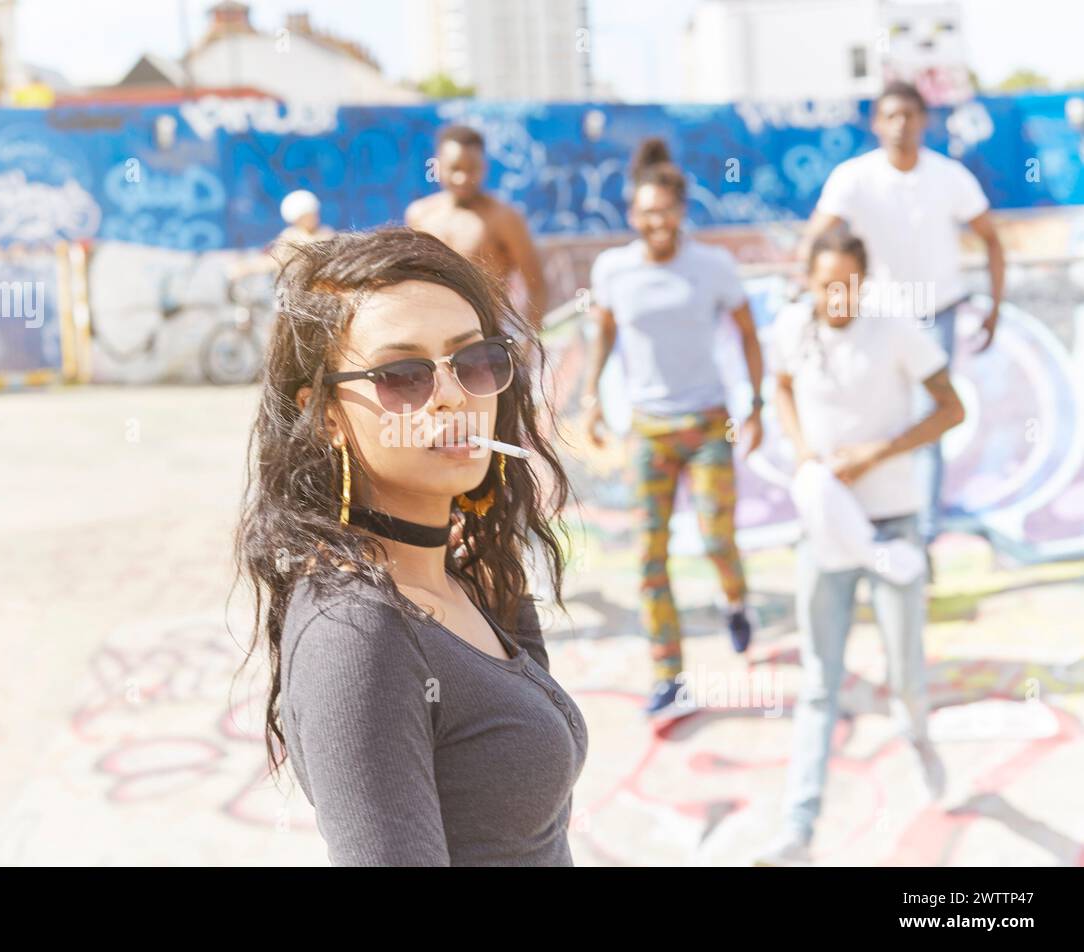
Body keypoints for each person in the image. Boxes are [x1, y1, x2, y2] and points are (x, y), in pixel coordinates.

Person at [234, 227, 585, 866]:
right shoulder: (359, 632)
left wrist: (509, 605)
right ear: (328, 415)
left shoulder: (458, 578)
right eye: (403, 375)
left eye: (473, 361)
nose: (452, 395)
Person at [756, 227, 965, 865]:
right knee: (820, 681)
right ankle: (798, 827)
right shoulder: (794, 327)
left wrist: (880, 452)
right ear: (809, 282)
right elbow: (782, 387)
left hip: (893, 520)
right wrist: (803, 454)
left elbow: (950, 409)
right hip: (826, 528)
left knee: (905, 667)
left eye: (848, 283)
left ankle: (919, 738)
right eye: (825, 284)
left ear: (864, 281)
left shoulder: (895, 328)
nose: (837, 296)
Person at [581, 138, 765, 716]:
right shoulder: (613, 269)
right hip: (650, 432)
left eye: (665, 209)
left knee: (715, 539)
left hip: (709, 425)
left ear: (682, 211)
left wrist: (754, 403)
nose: (655, 221)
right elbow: (605, 332)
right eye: (644, 211)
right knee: (649, 558)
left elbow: (748, 332)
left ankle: (735, 602)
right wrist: (590, 398)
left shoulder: (712, 266)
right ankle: (669, 677)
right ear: (633, 215)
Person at [800, 80, 1004, 574]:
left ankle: (923, 539)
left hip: (936, 312)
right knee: (865, 423)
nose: (900, 125)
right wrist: (812, 298)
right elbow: (815, 237)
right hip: (875, 318)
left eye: (909, 115)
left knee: (927, 423)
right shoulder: (854, 176)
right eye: (890, 116)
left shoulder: (949, 177)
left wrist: (995, 304)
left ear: (923, 121)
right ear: (876, 123)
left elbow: (992, 239)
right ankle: (857, 532)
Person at [406, 125, 548, 331]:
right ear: (437, 167)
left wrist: (529, 342)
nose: (462, 177)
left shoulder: (503, 218)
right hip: (434, 335)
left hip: (487, 337)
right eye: (455, 168)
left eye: (472, 168)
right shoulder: (419, 215)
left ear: (484, 168)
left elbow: (537, 285)